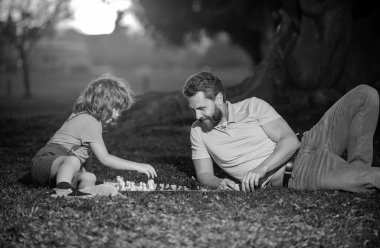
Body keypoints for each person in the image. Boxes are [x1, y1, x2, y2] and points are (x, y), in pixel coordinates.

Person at [182, 71, 380, 193]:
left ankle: (357, 167)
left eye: (201, 108)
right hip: (300, 172)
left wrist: (260, 169)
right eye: (193, 110)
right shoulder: (198, 131)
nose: (197, 116)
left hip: (313, 139)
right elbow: (204, 174)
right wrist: (218, 182)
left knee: (365, 94)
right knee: (372, 178)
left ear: (218, 99)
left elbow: (290, 141)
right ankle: (357, 174)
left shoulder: (252, 106)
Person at [31, 74, 157, 197]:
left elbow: (84, 156)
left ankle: (84, 193)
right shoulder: (89, 120)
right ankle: (62, 190)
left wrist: (85, 174)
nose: (117, 114)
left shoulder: (89, 119)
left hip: (60, 171)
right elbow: (105, 158)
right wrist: (138, 166)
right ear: (103, 103)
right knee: (73, 160)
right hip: (45, 163)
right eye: (115, 108)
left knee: (89, 176)